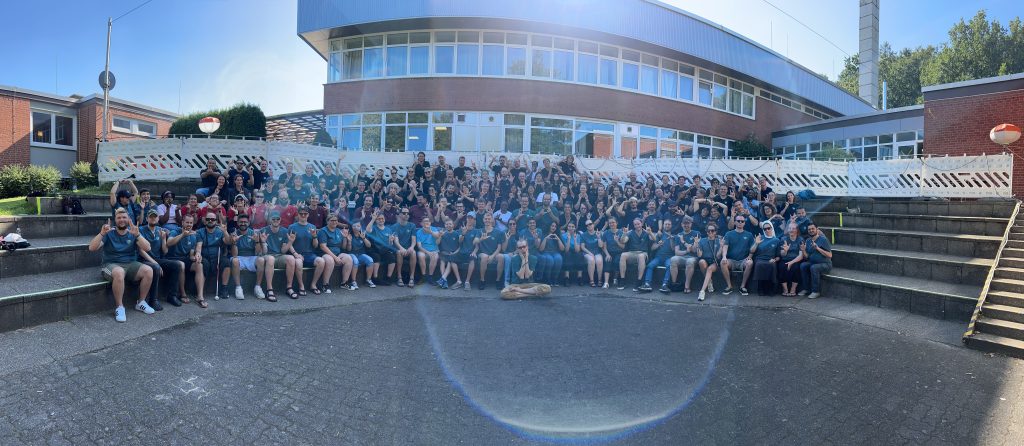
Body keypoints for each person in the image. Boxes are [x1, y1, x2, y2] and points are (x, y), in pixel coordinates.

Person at [88, 208, 155, 322]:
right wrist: (101, 233)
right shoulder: (109, 233)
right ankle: (120, 307)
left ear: (128, 219)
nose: (122, 220)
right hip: (110, 265)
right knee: (119, 272)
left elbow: (147, 248)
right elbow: (92, 248)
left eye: (124, 217)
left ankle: (141, 302)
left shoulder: (132, 233)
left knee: (148, 270)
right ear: (115, 219)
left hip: (130, 264)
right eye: (119, 218)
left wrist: (138, 235)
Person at [139, 209, 182, 308]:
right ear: (147, 218)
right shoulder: (141, 230)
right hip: (144, 259)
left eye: (155, 216)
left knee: (176, 265)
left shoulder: (160, 230)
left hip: (157, 259)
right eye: (151, 217)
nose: (153, 218)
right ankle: (153, 299)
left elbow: (165, 251)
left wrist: (163, 239)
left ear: (158, 218)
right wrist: (155, 263)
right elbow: (141, 251)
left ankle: (172, 296)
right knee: (155, 267)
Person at [226, 214, 267, 300]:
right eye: (241, 222)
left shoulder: (253, 233)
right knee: (235, 260)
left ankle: (258, 287)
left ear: (248, 223)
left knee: (261, 260)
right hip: (239, 257)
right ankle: (238, 287)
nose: (243, 224)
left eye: (245, 222)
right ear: (237, 223)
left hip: (251, 257)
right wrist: (234, 243)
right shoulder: (234, 233)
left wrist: (257, 242)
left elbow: (258, 252)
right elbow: (234, 255)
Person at [164, 215, 203, 306]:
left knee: (199, 265)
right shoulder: (175, 231)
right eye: (187, 222)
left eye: (191, 223)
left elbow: (192, 251)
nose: (189, 224)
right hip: (172, 258)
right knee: (181, 264)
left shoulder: (194, 235)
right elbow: (169, 243)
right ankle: (183, 294)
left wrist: (195, 256)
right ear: (182, 223)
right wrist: (182, 235)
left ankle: (200, 296)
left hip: (185, 258)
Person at [194, 211, 232, 302]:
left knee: (226, 262)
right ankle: (201, 291)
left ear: (216, 221)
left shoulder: (220, 231)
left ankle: (224, 288)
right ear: (204, 221)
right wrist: (198, 254)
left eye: (213, 219)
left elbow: (228, 242)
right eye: (208, 219)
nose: (210, 221)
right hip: (205, 257)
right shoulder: (200, 232)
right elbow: (199, 246)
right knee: (204, 264)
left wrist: (225, 231)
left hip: (218, 257)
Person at [286, 206, 323, 295]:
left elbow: (315, 245)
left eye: (305, 214)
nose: (303, 215)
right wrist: (295, 254)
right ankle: (301, 286)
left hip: (310, 254)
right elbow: (289, 243)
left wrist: (314, 236)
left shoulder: (312, 227)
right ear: (298, 215)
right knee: (298, 263)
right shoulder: (292, 227)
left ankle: (313, 285)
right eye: (301, 213)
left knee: (321, 261)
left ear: (308, 215)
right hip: (297, 254)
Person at [261, 210, 296, 301]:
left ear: (280, 220)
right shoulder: (263, 230)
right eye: (273, 218)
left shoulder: (284, 231)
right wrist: (264, 242)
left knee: (291, 259)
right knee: (271, 259)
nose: (276, 220)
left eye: (278, 218)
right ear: (270, 219)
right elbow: (263, 252)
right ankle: (269, 289)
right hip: (267, 256)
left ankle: (289, 288)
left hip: (279, 255)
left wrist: (290, 242)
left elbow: (283, 251)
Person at [317, 214, 354, 294]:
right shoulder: (323, 231)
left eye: (336, 220)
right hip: (325, 254)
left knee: (348, 258)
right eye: (332, 220)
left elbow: (343, 247)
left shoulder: (338, 231)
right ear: (327, 221)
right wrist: (335, 258)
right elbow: (323, 247)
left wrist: (345, 238)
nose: (334, 222)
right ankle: (325, 284)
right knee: (330, 260)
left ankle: (344, 283)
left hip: (337, 253)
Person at [720, 214, 755, 296]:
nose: (740, 222)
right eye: (738, 221)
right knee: (723, 262)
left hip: (743, 260)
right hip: (731, 260)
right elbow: (725, 247)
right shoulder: (728, 234)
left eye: (742, 221)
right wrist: (724, 256)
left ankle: (742, 287)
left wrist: (749, 257)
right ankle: (729, 286)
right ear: (735, 222)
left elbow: (752, 249)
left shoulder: (749, 235)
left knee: (750, 263)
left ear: (744, 223)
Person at [638, 219, 675, 292]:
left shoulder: (675, 236)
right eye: (666, 224)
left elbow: (674, 249)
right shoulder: (659, 235)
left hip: (669, 257)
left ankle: (665, 285)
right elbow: (652, 248)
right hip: (659, 257)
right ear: (663, 225)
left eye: (669, 224)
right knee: (650, 265)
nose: (667, 226)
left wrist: (671, 239)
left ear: (671, 226)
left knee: (669, 266)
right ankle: (647, 284)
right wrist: (658, 244)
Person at [798, 223, 832, 299]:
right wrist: (803, 250)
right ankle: (806, 289)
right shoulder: (808, 240)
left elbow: (830, 255)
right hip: (813, 262)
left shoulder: (823, 239)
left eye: (812, 229)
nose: (811, 230)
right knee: (803, 265)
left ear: (817, 229)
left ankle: (815, 291)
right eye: (809, 229)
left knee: (814, 267)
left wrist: (818, 248)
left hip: (825, 264)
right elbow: (807, 257)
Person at [669, 216, 700, 293]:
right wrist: (686, 251)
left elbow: (694, 250)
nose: (686, 225)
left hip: (693, 257)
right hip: (682, 257)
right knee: (673, 259)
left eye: (688, 223)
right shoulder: (679, 235)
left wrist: (683, 241)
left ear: (691, 224)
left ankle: (687, 285)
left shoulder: (696, 234)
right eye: (684, 223)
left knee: (689, 261)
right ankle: (674, 284)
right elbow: (677, 252)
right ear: (681, 224)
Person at [751, 221, 782, 296]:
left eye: (768, 228)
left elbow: (778, 256)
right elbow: (751, 251)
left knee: (772, 265)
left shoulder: (777, 240)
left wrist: (774, 260)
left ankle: (770, 288)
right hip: (759, 259)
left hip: (771, 259)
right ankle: (760, 288)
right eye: (765, 229)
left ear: (772, 228)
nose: (767, 230)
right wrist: (756, 243)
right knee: (759, 265)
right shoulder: (760, 237)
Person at [475, 214, 505, 290]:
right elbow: (475, 241)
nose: (487, 220)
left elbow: (499, 247)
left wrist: (492, 256)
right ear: (483, 220)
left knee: (501, 257)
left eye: (489, 219)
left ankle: (498, 280)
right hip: (482, 253)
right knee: (485, 257)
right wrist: (481, 239)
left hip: (494, 254)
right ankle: (482, 280)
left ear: (492, 220)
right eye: (486, 219)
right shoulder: (480, 231)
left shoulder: (498, 232)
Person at [390, 208, 418, 286]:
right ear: (399, 214)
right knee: (399, 252)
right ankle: (399, 277)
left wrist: (412, 247)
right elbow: (396, 241)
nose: (406, 215)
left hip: (409, 248)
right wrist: (401, 248)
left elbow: (413, 240)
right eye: (404, 213)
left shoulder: (412, 225)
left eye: (408, 213)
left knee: (414, 252)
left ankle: (411, 278)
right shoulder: (395, 226)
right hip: (398, 248)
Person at [620, 218, 651, 291]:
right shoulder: (630, 233)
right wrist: (624, 234)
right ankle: (622, 280)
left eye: (638, 224)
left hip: (643, 253)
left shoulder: (646, 232)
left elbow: (654, 239)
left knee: (640, 256)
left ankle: (639, 281)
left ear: (642, 224)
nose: (637, 226)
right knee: (623, 255)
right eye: (635, 224)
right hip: (632, 253)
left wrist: (650, 233)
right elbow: (623, 241)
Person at [695, 223, 723, 302]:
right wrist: (697, 244)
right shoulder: (703, 240)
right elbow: (699, 255)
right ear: (706, 232)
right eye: (708, 231)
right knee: (701, 262)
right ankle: (709, 281)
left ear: (715, 232)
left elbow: (718, 257)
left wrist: (721, 247)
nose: (710, 232)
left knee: (710, 269)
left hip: (715, 262)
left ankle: (702, 291)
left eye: (712, 230)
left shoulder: (718, 241)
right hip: (705, 260)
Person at [345, 222, 376, 290]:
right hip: (351, 254)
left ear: (361, 227)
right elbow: (348, 249)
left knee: (370, 260)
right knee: (355, 261)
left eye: (358, 226)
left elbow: (369, 245)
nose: (356, 227)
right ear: (352, 227)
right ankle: (353, 281)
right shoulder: (349, 235)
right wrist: (349, 241)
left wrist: (364, 238)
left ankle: (368, 280)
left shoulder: (363, 234)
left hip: (360, 254)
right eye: (354, 226)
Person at [453, 214, 481, 290]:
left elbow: (477, 244)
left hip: (470, 252)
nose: (469, 220)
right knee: (451, 260)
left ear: (474, 220)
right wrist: (463, 234)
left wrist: (474, 252)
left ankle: (467, 282)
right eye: (468, 218)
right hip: (461, 252)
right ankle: (459, 281)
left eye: (471, 219)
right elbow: (459, 241)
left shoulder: (477, 231)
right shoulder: (461, 229)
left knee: (472, 259)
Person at [778, 223, 804, 297]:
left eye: (793, 228)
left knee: (796, 267)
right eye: (789, 228)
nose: (791, 230)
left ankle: (793, 289)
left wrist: (791, 262)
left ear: (796, 230)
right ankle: (785, 289)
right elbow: (782, 254)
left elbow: (801, 256)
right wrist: (785, 250)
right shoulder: (784, 239)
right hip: (785, 259)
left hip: (796, 259)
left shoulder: (800, 239)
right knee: (782, 267)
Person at [415, 216, 441, 285]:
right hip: (423, 250)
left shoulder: (434, 229)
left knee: (435, 257)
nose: (427, 222)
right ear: (421, 223)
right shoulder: (419, 232)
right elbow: (419, 246)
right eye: (425, 221)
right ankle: (423, 276)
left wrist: (430, 232)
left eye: (428, 221)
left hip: (434, 249)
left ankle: (430, 277)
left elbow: (437, 237)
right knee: (420, 255)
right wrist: (427, 252)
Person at [537, 221, 565, 286]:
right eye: (552, 226)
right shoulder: (544, 234)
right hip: (546, 252)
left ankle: (555, 279)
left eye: (555, 226)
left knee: (559, 259)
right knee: (550, 260)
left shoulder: (558, 234)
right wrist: (546, 238)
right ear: (549, 226)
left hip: (555, 252)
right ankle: (547, 279)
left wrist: (558, 239)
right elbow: (541, 249)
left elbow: (562, 249)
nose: (554, 227)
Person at [601, 218, 625, 289]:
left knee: (617, 261)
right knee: (607, 260)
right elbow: (604, 247)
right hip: (609, 252)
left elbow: (623, 247)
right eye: (610, 223)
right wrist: (607, 254)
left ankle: (615, 278)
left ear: (616, 223)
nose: (611, 224)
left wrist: (617, 241)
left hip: (619, 252)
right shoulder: (606, 233)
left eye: (613, 222)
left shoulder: (621, 232)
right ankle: (606, 282)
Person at [437, 218, 461, 289]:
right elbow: (437, 243)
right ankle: (444, 280)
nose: (448, 225)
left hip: (454, 253)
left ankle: (443, 279)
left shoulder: (457, 233)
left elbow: (460, 246)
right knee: (442, 261)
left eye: (450, 224)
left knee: (451, 259)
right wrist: (440, 236)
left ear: (453, 225)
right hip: (444, 253)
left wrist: (454, 253)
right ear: (445, 225)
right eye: (447, 224)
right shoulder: (443, 233)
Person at [580, 220, 604, 287]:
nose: (589, 226)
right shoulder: (583, 235)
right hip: (587, 252)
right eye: (587, 225)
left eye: (590, 224)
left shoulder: (598, 233)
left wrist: (599, 237)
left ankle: (599, 280)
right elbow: (582, 247)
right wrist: (590, 253)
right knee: (591, 260)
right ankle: (591, 280)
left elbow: (601, 246)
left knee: (599, 260)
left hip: (597, 252)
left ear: (593, 224)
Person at [561, 222, 583, 286]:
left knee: (580, 254)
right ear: (567, 228)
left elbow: (577, 250)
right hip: (567, 251)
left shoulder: (578, 236)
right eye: (569, 226)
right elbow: (566, 250)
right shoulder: (563, 235)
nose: (571, 228)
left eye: (572, 227)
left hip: (575, 251)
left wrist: (575, 240)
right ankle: (566, 277)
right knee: (568, 254)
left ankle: (580, 277)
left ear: (575, 228)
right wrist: (569, 239)